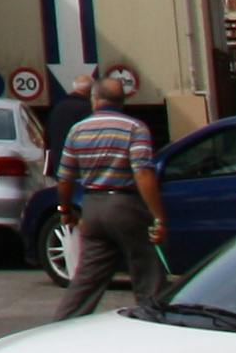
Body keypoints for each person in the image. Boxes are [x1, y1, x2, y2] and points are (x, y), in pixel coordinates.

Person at [54, 69, 169, 320]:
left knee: (87, 277)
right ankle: (155, 323)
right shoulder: (134, 128)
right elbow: (143, 173)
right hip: (125, 205)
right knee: (147, 271)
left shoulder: (77, 130)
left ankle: (62, 325)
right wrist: (158, 217)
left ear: (94, 100)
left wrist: (65, 210)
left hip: (92, 207)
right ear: (122, 102)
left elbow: (65, 177)